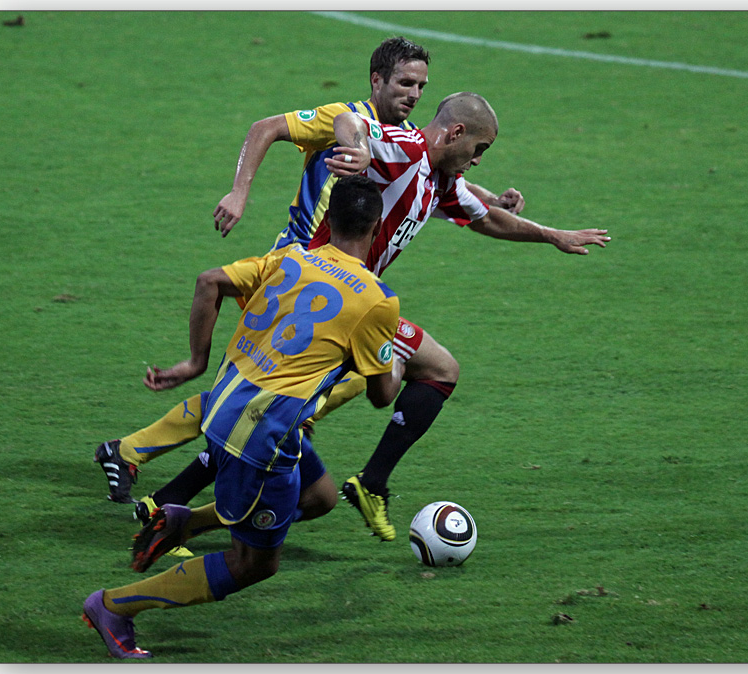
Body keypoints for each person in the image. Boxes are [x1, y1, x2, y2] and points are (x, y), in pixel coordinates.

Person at [93, 37, 522, 522]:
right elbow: (270, 127)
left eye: (422, 85)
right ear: (377, 79)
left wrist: (501, 203)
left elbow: (435, 172)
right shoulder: (350, 117)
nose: (414, 93)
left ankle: (136, 459)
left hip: (342, 285)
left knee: (277, 394)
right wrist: (239, 192)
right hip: (298, 270)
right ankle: (158, 489)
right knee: (268, 398)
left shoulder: (405, 140)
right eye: (405, 82)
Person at [82, 175, 402, 659]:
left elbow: (210, 280)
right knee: (253, 563)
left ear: (329, 219)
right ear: (377, 227)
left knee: (319, 497)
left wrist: (195, 363)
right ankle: (113, 607)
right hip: (257, 439)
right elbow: (382, 396)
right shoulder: (378, 301)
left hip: (221, 408)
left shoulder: (290, 257)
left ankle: (185, 521)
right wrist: (395, 360)